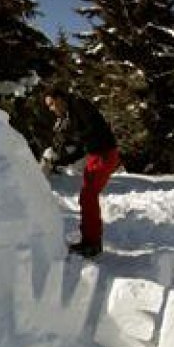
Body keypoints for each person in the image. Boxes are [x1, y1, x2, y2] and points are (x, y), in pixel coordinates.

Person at [42, 86, 120, 258]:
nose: (52, 109)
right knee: (87, 197)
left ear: (60, 98)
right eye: (49, 107)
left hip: (104, 154)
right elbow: (82, 146)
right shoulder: (71, 113)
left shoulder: (79, 105)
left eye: (52, 104)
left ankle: (91, 244)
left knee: (88, 196)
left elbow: (92, 130)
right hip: (96, 155)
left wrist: (72, 134)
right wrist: (62, 160)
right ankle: (90, 241)